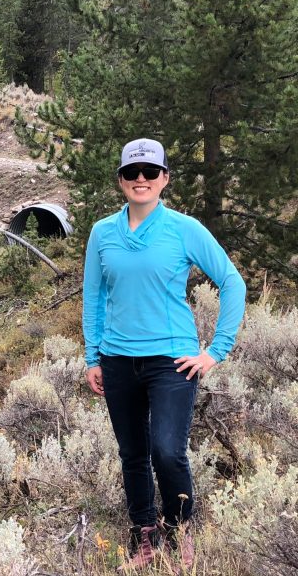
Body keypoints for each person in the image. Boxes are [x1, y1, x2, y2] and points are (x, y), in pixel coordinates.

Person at [81, 138, 246, 572]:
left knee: (168, 450)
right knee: (132, 452)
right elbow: (94, 298)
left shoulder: (183, 229)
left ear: (165, 179)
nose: (141, 180)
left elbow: (233, 283)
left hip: (171, 360)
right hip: (116, 361)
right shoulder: (102, 233)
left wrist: (215, 352)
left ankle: (180, 534)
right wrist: (92, 357)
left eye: (150, 173)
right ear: (120, 180)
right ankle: (145, 538)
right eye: (132, 173)